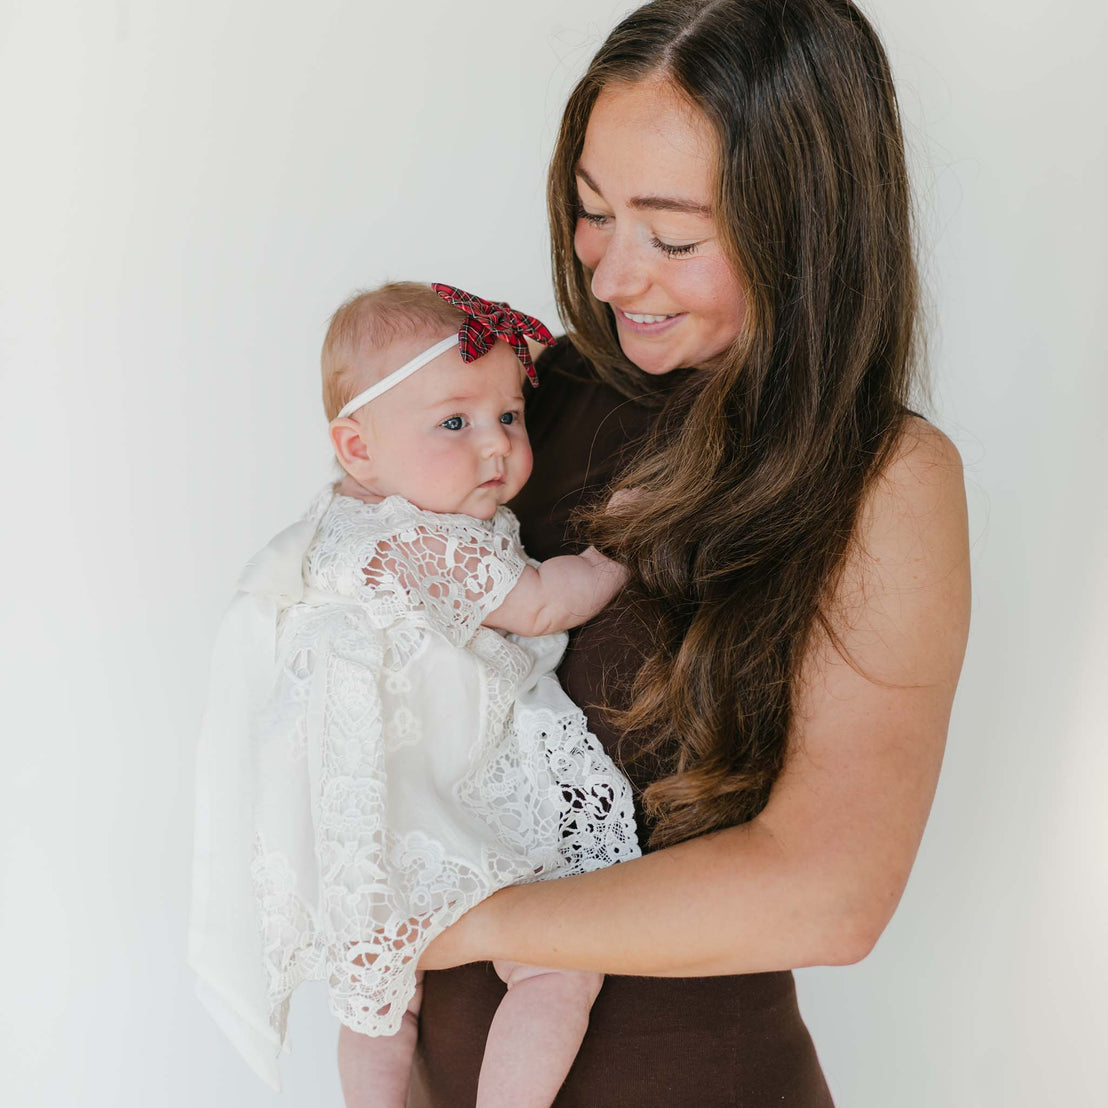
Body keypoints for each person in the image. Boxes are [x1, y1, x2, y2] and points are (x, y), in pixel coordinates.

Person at [410, 1, 971, 1105]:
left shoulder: (884, 479)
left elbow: (830, 891)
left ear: (801, 226)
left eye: (671, 236)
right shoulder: (525, 407)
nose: (616, 277)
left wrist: (453, 925)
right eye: (589, 212)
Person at [188, 281, 643, 1108]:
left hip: (357, 831)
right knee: (557, 965)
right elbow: (541, 600)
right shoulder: (422, 538)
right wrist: (615, 552)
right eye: (455, 423)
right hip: (434, 801)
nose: (496, 448)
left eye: (510, 416)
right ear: (358, 449)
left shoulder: (337, 525)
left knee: (377, 1004)